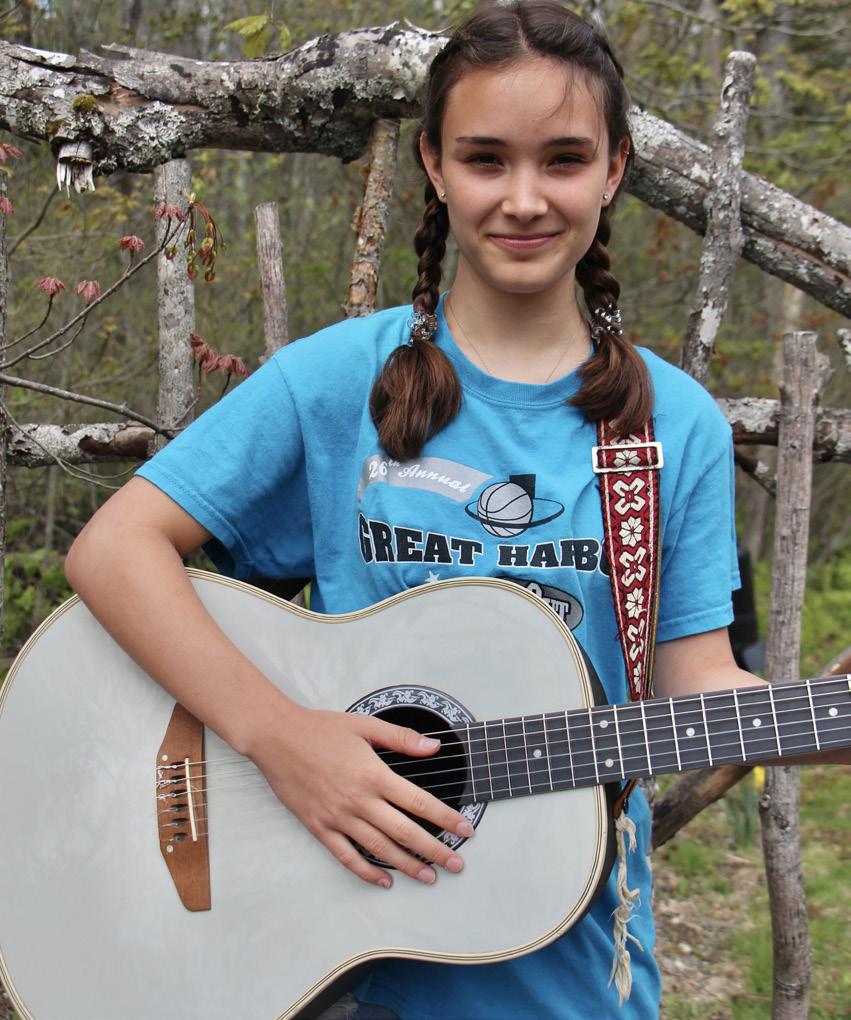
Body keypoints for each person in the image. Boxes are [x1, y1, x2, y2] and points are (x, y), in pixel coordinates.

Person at [64, 3, 848, 1017]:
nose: (523, 199)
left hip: (567, 977)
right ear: (434, 165)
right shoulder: (338, 381)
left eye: (563, 160)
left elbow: (688, 684)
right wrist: (279, 738)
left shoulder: (668, 426)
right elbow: (115, 549)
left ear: (613, 170)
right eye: (485, 159)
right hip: (327, 958)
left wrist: (818, 724)